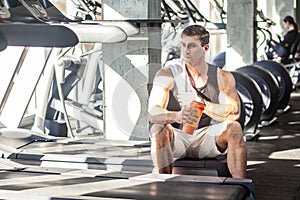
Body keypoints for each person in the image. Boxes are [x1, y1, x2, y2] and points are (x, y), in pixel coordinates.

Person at [148, 24, 247, 178]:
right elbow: (153, 113)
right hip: (178, 138)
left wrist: (200, 102)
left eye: (192, 46)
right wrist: (177, 116)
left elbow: (234, 113)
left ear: (205, 48)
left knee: (234, 128)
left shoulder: (222, 76)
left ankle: (242, 186)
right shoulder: (167, 74)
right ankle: (164, 184)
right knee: (157, 129)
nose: (186, 50)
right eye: (183, 45)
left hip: (208, 137)